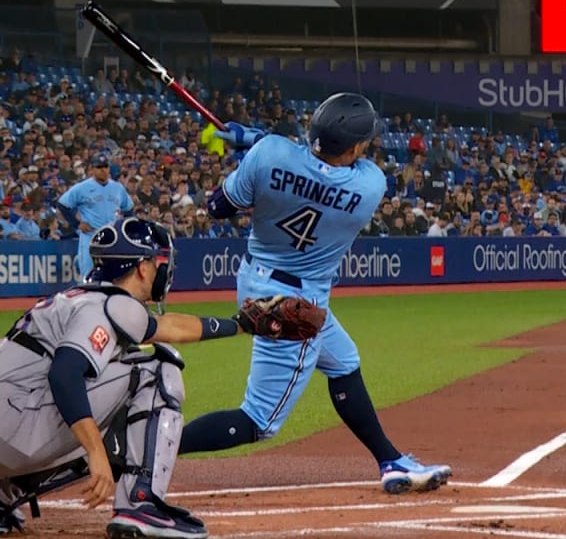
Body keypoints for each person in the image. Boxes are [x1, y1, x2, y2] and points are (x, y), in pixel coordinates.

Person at [178, 93, 452, 494]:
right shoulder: (369, 185)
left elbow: (219, 206)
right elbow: (305, 164)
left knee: (343, 362)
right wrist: (258, 144)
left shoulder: (270, 153)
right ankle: (153, 447)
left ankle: (390, 460)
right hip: (297, 308)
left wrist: (251, 150)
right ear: (356, 147)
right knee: (258, 421)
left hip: (256, 281)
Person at [0, 218, 257, 539]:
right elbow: (65, 374)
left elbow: (169, 327)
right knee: (155, 372)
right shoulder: (109, 305)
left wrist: (242, 324)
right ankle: (140, 503)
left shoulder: (82, 298)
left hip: (8, 425)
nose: (163, 268)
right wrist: (95, 450)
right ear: (142, 268)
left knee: (107, 389)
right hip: (18, 428)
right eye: (158, 261)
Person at [57, 154, 133, 282]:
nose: (103, 170)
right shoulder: (82, 187)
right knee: (88, 277)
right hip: (91, 236)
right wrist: (77, 224)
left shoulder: (117, 188)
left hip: (112, 238)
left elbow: (129, 208)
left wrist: (125, 228)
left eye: (105, 167)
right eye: (99, 167)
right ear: (92, 169)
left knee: (114, 278)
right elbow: (62, 204)